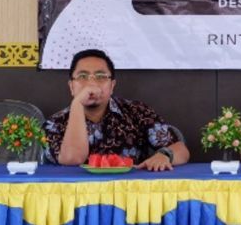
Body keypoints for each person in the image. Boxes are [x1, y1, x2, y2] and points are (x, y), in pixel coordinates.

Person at [44, 49, 189, 170]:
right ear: (71, 86)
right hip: (78, 198)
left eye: (101, 76)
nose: (92, 83)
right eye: (82, 76)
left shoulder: (137, 112)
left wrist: (164, 155)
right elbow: (73, 159)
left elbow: (180, 150)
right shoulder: (54, 124)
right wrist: (77, 104)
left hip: (130, 196)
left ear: (112, 85)